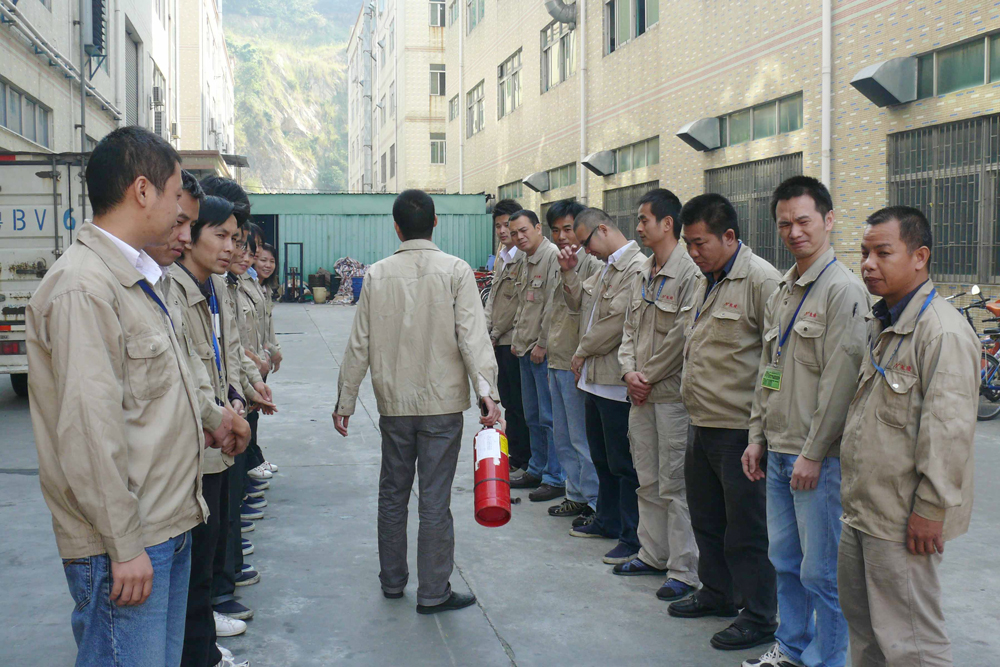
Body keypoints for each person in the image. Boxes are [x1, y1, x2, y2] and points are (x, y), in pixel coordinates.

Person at [26, 126, 209, 667]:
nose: (179, 210)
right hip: (127, 546)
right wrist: (124, 545)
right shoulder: (84, 288)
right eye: (174, 193)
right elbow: (88, 432)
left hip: (165, 526)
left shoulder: (138, 279)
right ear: (142, 191)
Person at [333, 189, 501, 614]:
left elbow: (359, 344)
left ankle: (392, 582)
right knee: (434, 499)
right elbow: (473, 338)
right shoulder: (456, 271)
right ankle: (433, 591)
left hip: (394, 405)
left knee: (393, 493)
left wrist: (345, 401)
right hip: (442, 406)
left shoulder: (376, 275)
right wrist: (487, 394)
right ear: (435, 222)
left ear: (396, 228)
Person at [837, 206, 977, 667]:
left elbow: (948, 433)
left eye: (882, 253)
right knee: (865, 632)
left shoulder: (942, 332)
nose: (868, 264)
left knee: (912, 642)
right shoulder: (885, 321)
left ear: (920, 257)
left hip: (902, 520)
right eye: (864, 253)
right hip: (864, 508)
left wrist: (930, 510)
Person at [741, 177, 869, 667]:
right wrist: (756, 437)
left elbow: (841, 384)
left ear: (828, 220)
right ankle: (792, 648)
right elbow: (767, 371)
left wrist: (813, 454)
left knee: (822, 573)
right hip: (777, 449)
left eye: (803, 221)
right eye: (784, 224)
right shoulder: (784, 288)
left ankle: (828, 659)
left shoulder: (843, 291)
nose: (794, 232)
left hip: (816, 459)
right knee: (785, 562)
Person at [144, 176, 253, 667]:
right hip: (197, 446)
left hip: (218, 435)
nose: (230, 247)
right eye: (221, 235)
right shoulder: (170, 292)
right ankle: (199, 650)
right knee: (193, 563)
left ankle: (201, 643)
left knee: (205, 556)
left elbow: (224, 356)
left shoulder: (212, 289)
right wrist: (221, 416)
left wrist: (240, 396)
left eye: (235, 238)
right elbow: (188, 372)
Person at [669, 193, 782, 652]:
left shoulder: (761, 281)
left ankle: (759, 615)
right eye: (688, 244)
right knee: (707, 519)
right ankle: (717, 592)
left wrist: (761, 431)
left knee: (747, 529)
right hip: (701, 420)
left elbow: (776, 360)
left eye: (701, 243)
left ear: (729, 236)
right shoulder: (706, 279)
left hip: (739, 429)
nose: (693, 253)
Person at [616, 189, 701, 602]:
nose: (638, 227)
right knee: (646, 478)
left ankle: (684, 570)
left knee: (675, 484)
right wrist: (628, 373)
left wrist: (645, 376)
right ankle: (652, 553)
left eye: (644, 219)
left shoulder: (690, 275)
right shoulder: (642, 272)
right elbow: (628, 330)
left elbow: (682, 336)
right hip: (641, 396)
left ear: (668, 224)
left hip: (669, 398)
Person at [557, 208, 645, 566]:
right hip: (595, 379)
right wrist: (569, 272)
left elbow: (615, 323)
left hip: (614, 380)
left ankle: (631, 534)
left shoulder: (635, 268)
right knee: (602, 458)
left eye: (585, 242)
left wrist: (581, 351)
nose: (585, 250)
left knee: (623, 464)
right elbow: (579, 305)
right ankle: (607, 520)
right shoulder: (606, 267)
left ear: (603, 229)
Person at [542, 199, 602, 522]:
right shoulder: (558, 261)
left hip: (576, 363)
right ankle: (575, 494)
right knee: (562, 436)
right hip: (557, 359)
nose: (562, 236)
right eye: (556, 230)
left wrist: (581, 358)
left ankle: (594, 501)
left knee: (581, 438)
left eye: (568, 229)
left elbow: (586, 312)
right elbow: (552, 313)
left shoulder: (591, 263)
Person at [508, 209, 566, 501]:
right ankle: (537, 468)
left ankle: (555, 477)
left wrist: (542, 343)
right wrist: (517, 339)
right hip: (525, 348)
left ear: (538, 228)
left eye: (523, 230)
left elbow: (553, 306)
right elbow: (523, 305)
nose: (519, 237)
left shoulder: (551, 257)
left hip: (541, 352)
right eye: (514, 233)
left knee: (549, 417)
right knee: (531, 415)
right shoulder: (524, 259)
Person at [484, 199, 531, 474]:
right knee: (510, 401)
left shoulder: (524, 257)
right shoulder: (502, 255)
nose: (503, 231)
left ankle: (526, 458)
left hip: (514, 340)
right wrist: (487, 330)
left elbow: (516, 304)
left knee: (522, 404)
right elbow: (494, 297)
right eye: (498, 226)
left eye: (507, 226)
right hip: (499, 340)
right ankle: (516, 454)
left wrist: (495, 332)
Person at [254, 242, 283, 374]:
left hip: (265, 356)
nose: (268, 265)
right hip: (255, 358)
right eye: (263, 260)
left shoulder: (266, 289)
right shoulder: (247, 290)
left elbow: (268, 327)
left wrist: (275, 349)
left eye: (272, 261)